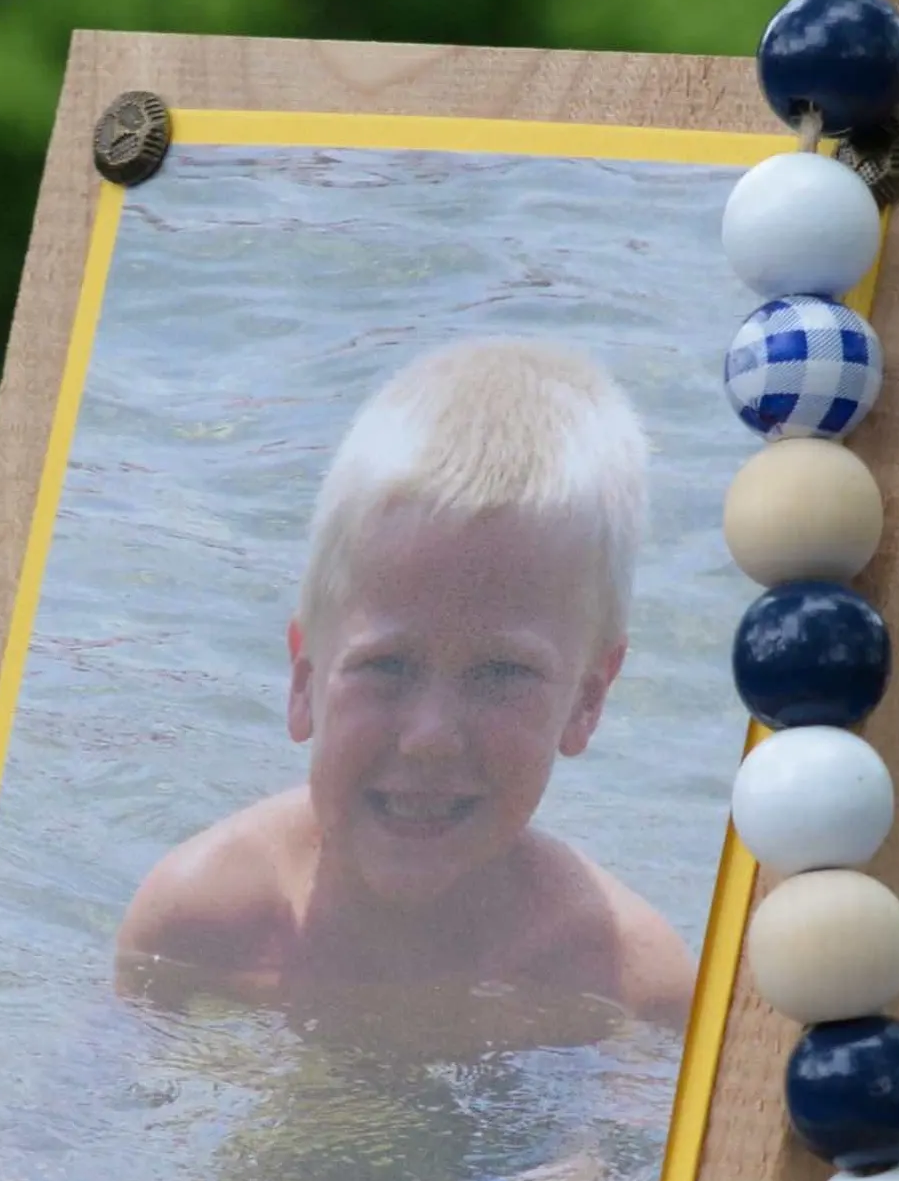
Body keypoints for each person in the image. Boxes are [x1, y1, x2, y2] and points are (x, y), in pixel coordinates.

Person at [115, 339, 696, 1049]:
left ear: (586, 701)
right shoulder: (199, 921)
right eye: (386, 665)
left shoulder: (625, 985)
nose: (429, 735)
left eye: (500, 673)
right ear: (304, 683)